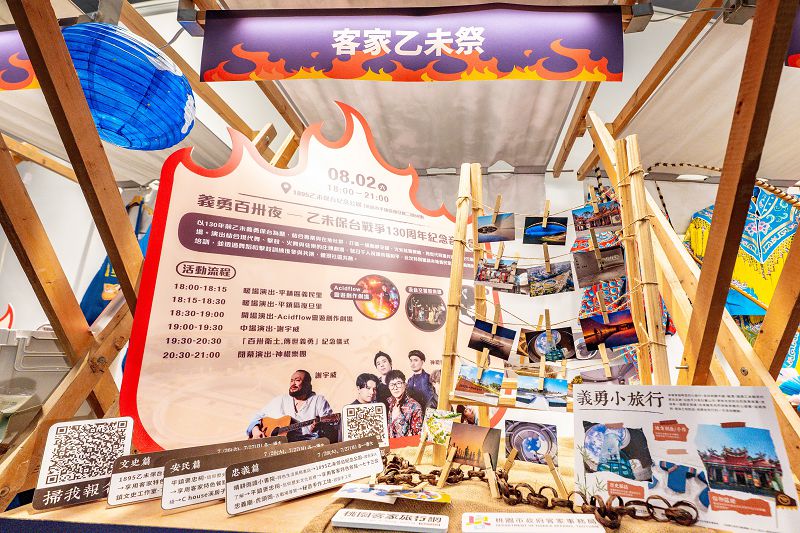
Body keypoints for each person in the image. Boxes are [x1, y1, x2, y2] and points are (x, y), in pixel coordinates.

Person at [246, 370, 333, 441]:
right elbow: (256, 417)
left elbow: (331, 427)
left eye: (297, 380)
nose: (293, 384)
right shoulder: (280, 400)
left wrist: (321, 427)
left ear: (307, 384)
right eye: (291, 380)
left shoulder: (318, 400)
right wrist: (256, 431)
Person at [385, 369, 422, 438]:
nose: (395, 388)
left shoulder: (415, 406)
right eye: (392, 385)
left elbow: (417, 435)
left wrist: (399, 417)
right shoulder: (387, 403)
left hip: (406, 444)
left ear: (405, 385)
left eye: (398, 383)